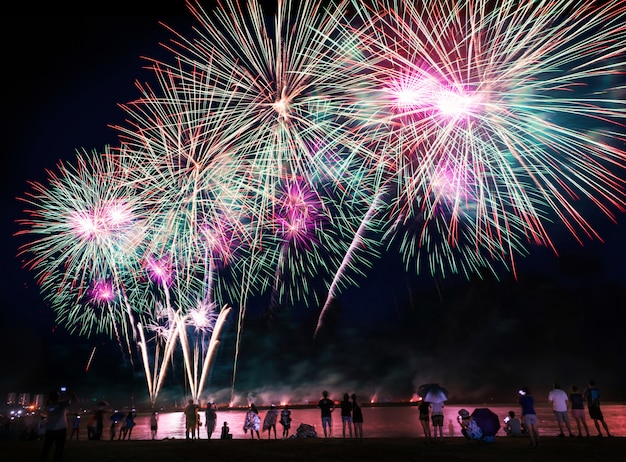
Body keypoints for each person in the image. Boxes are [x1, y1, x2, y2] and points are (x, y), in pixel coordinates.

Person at [40, 388, 76, 462]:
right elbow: (75, 400)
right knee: (59, 449)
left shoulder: (48, 406)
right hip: (61, 430)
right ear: (58, 397)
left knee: (46, 447)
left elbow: (47, 402)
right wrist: (71, 392)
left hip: (50, 429)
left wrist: (50, 396)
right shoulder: (61, 404)